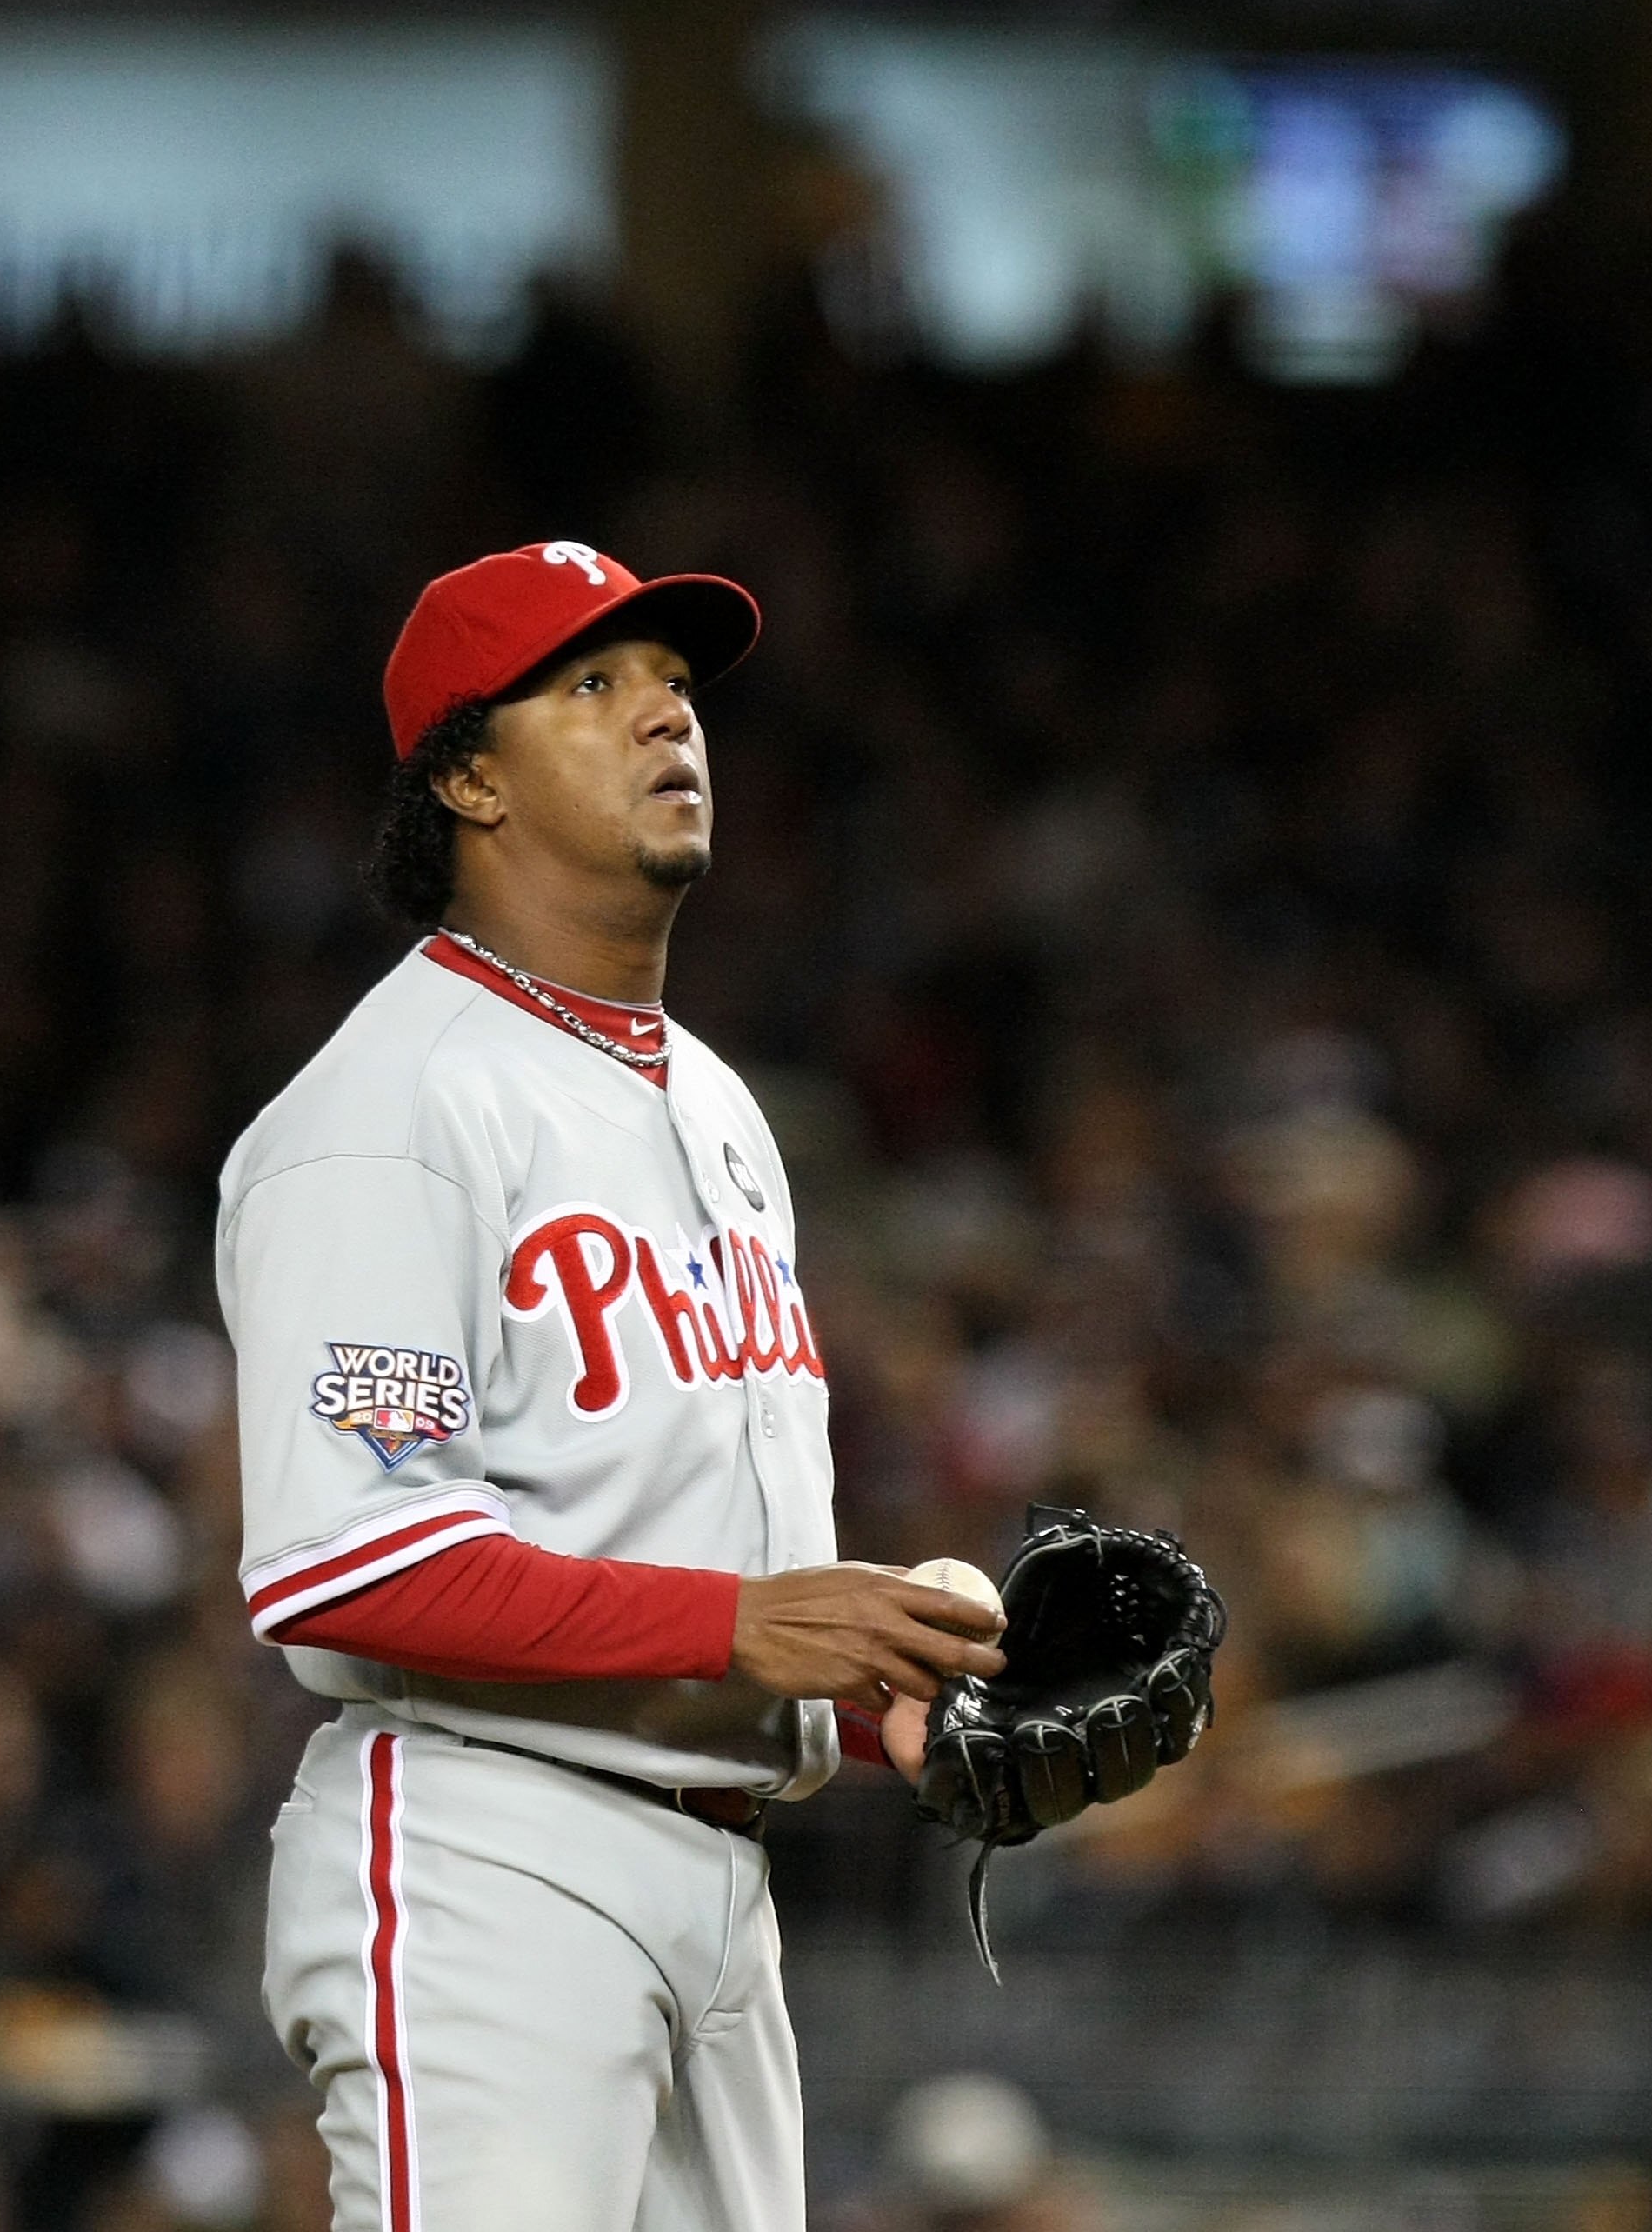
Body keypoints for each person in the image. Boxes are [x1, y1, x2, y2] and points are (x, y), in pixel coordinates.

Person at [221, 541, 1010, 2232]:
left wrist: (893, 1708)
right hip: (494, 1855)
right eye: (591, 686)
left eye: (672, 683)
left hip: (719, 1868)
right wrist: (746, 1624)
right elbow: (348, 1567)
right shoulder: (390, 1109)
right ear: (466, 778)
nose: (666, 716)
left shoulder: (717, 1102)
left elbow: (675, 1551)